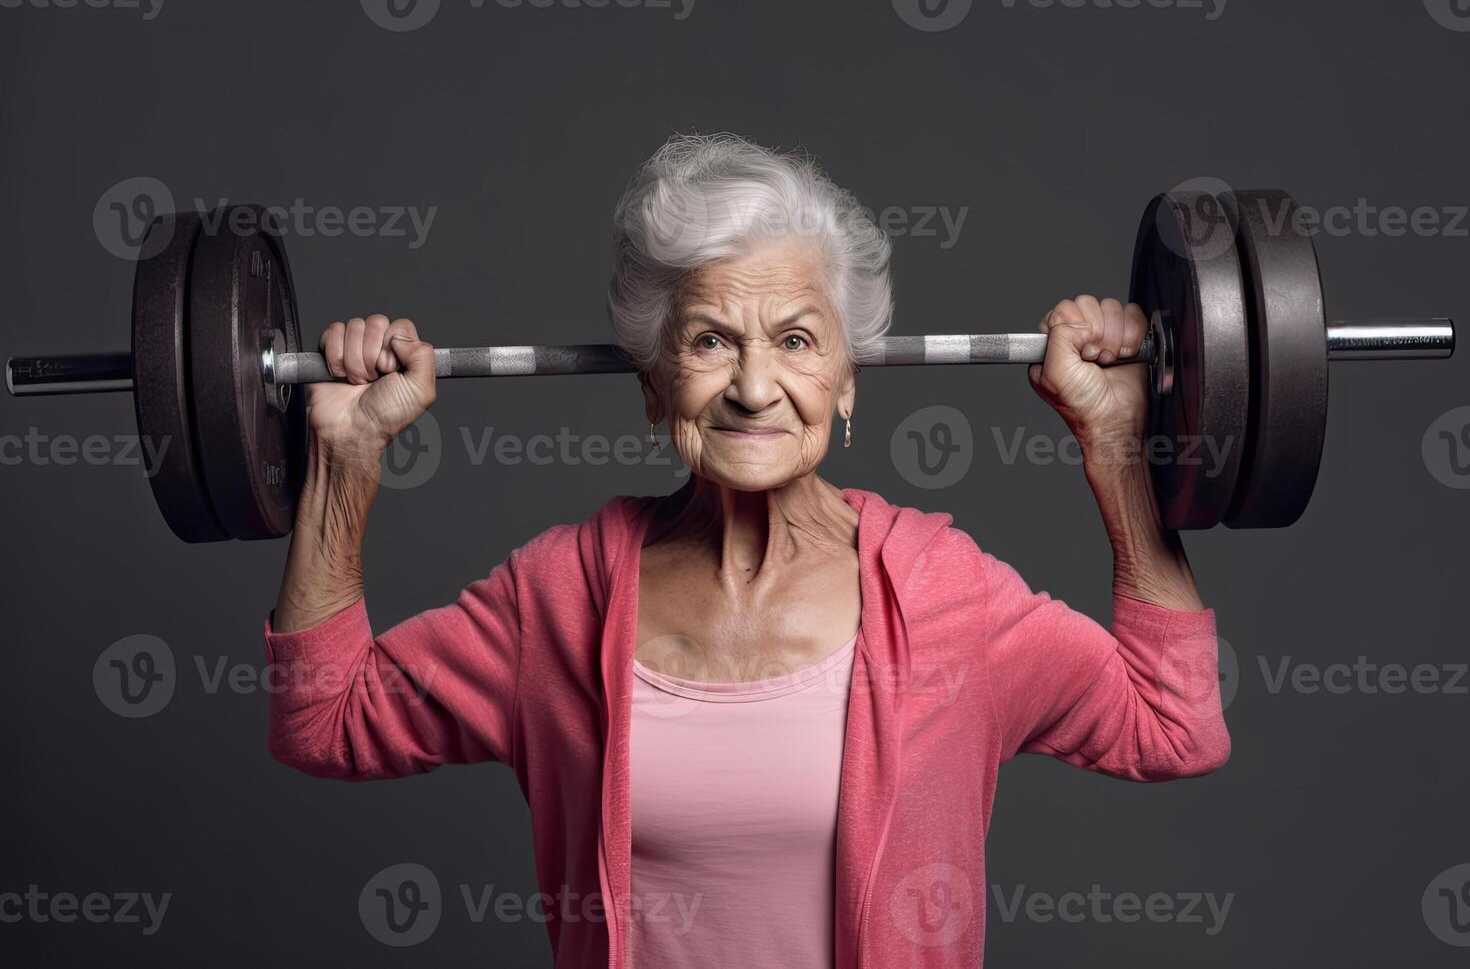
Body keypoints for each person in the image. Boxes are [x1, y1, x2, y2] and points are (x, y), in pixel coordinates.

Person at [264, 132, 1229, 968]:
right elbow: (327, 720)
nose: (756, 388)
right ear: (653, 386)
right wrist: (344, 463)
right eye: (712, 342)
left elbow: (1172, 723)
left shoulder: (942, 597)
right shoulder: (561, 599)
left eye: (800, 341)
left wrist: (1115, 448)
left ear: (849, 382)